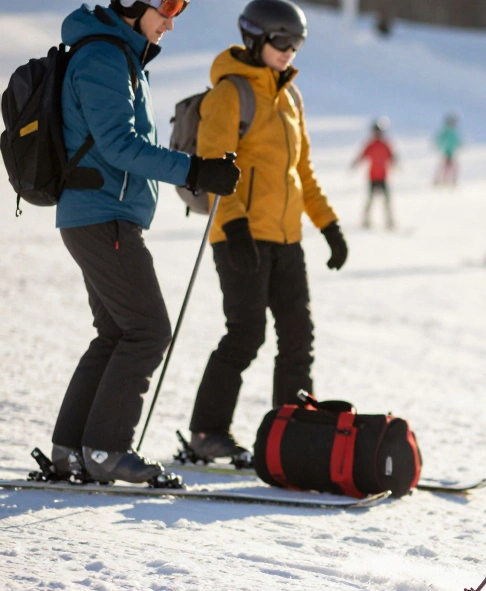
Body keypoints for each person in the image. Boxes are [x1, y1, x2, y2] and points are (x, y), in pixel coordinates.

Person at [50, 0, 241, 484]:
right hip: (102, 215)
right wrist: (195, 170)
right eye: (168, 6)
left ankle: (72, 449)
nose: (173, 21)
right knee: (148, 330)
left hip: (104, 215)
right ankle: (106, 450)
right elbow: (119, 144)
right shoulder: (104, 58)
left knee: (116, 333)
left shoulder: (123, 56)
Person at [184, 0, 347, 463]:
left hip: (286, 239)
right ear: (255, 37)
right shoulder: (230, 94)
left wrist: (329, 226)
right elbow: (216, 167)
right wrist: (234, 226)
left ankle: (292, 434)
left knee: (298, 337)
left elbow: (303, 172)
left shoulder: (292, 97)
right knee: (246, 333)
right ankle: (207, 433)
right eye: (281, 41)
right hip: (240, 235)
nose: (289, 51)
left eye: (296, 43)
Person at [353, 116, 396, 229]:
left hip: (383, 176)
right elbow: (362, 155)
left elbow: (392, 156)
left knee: (386, 200)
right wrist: (355, 163)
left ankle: (389, 220)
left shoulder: (385, 144)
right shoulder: (371, 144)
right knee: (370, 200)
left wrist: (395, 162)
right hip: (373, 176)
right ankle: (366, 220)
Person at [434, 113, 461, 186]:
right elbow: (440, 140)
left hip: (450, 151)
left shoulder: (452, 132)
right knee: (445, 166)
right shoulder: (446, 132)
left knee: (451, 166)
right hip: (447, 151)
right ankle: (440, 180)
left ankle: (450, 180)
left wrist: (459, 145)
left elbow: (457, 140)